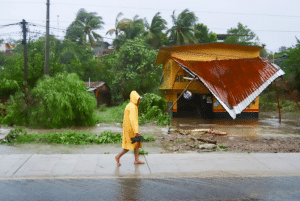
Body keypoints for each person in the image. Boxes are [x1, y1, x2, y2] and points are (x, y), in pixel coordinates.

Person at [115, 91, 145, 166]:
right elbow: (133, 120)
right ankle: (118, 157)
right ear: (135, 99)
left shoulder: (130, 105)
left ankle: (136, 159)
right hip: (131, 130)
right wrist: (136, 131)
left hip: (129, 129)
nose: (139, 101)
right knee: (128, 146)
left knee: (137, 142)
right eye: (138, 99)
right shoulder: (132, 107)